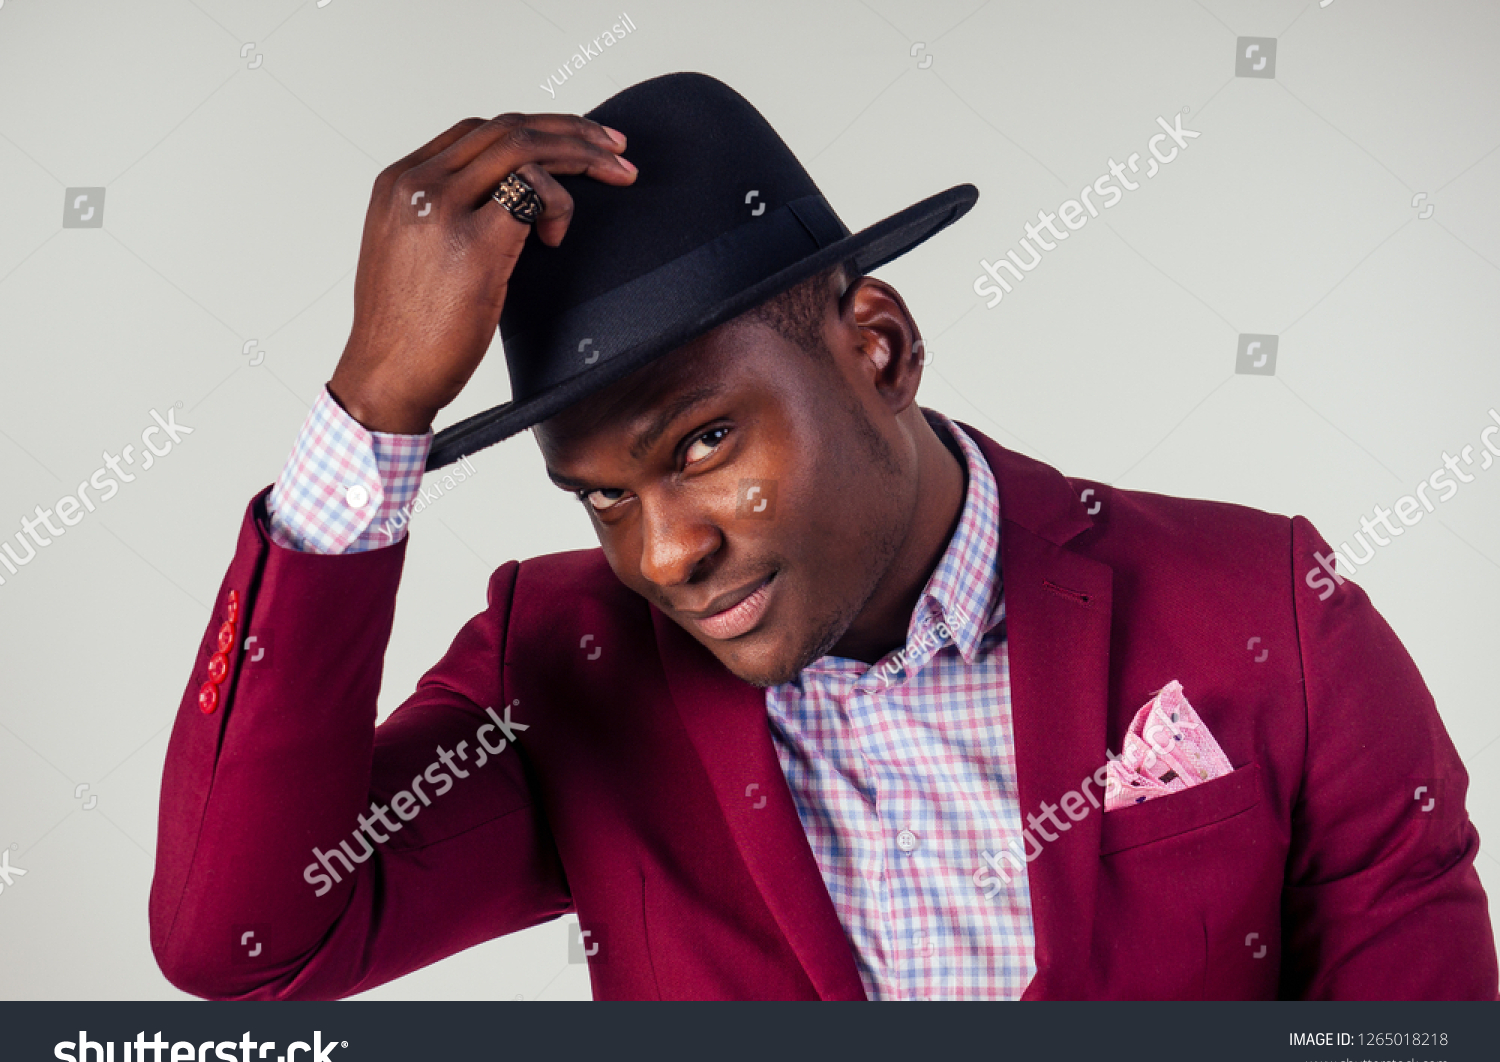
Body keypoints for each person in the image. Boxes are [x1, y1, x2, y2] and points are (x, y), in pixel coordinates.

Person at [149, 72, 1497, 1000]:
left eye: (703, 445)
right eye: (604, 494)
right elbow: (246, 939)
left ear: (879, 346)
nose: (664, 551)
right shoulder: (565, 677)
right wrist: (375, 405)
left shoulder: (1268, 614)